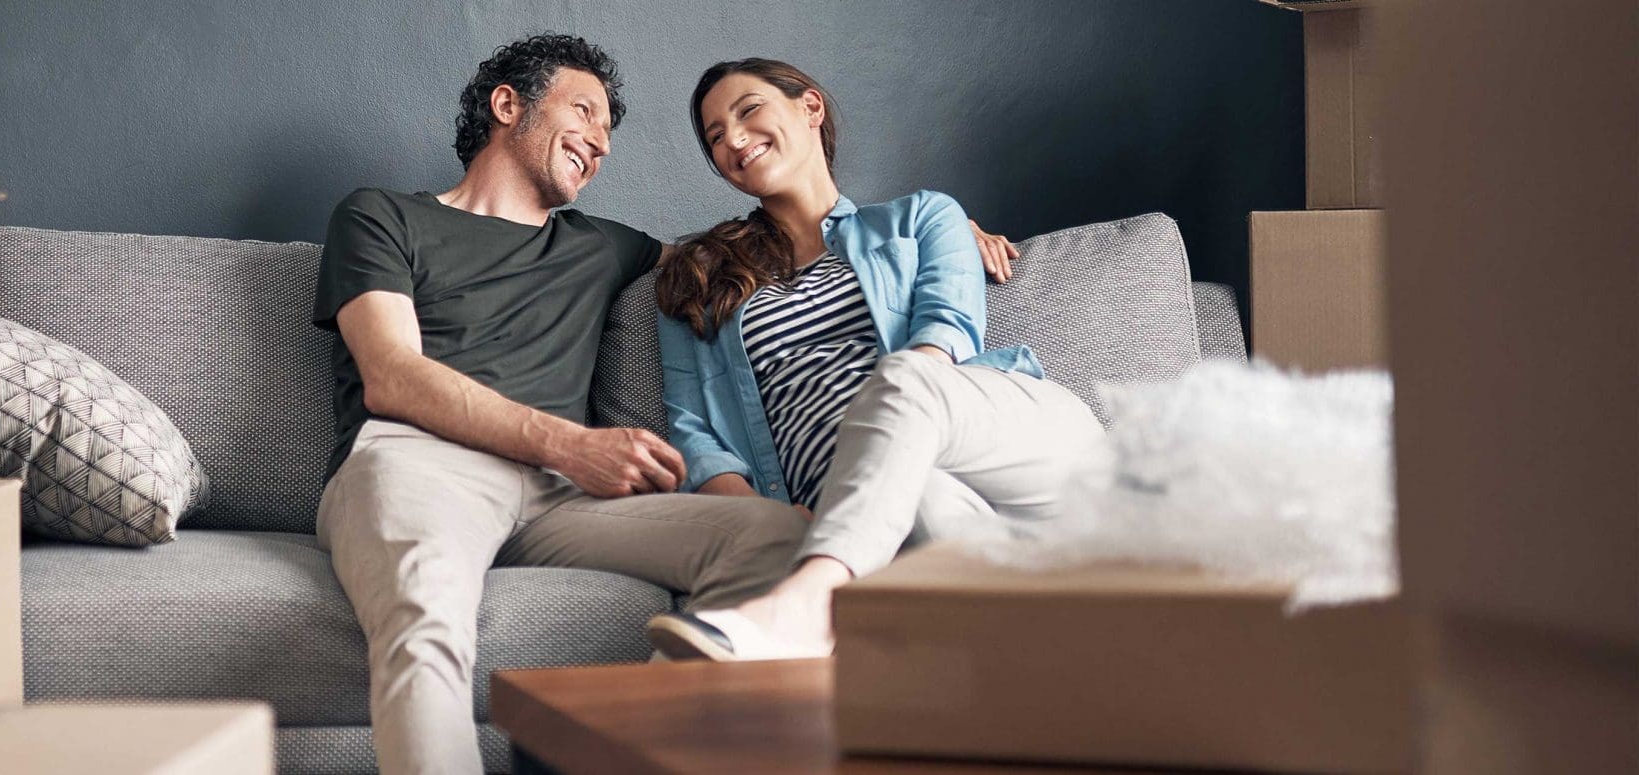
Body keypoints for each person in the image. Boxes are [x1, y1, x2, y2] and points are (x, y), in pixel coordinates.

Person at [314, 37, 1016, 773]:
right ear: (506, 105)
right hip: (421, 462)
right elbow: (392, 374)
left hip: (559, 501)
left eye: (609, 130)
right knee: (425, 618)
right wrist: (566, 444)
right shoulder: (381, 216)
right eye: (583, 111)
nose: (601, 142)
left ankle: (596, 750)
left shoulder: (606, 247)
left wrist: (938, 232)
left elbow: (759, 251)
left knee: (780, 540)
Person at [644, 58, 1107, 663]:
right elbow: (695, 436)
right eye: (714, 137)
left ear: (810, 108)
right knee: (929, 507)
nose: (732, 139)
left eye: (748, 111)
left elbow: (946, 334)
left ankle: (808, 604)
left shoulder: (921, 218)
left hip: (1011, 440)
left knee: (910, 377)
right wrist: (773, 521)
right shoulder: (700, 276)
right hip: (876, 505)